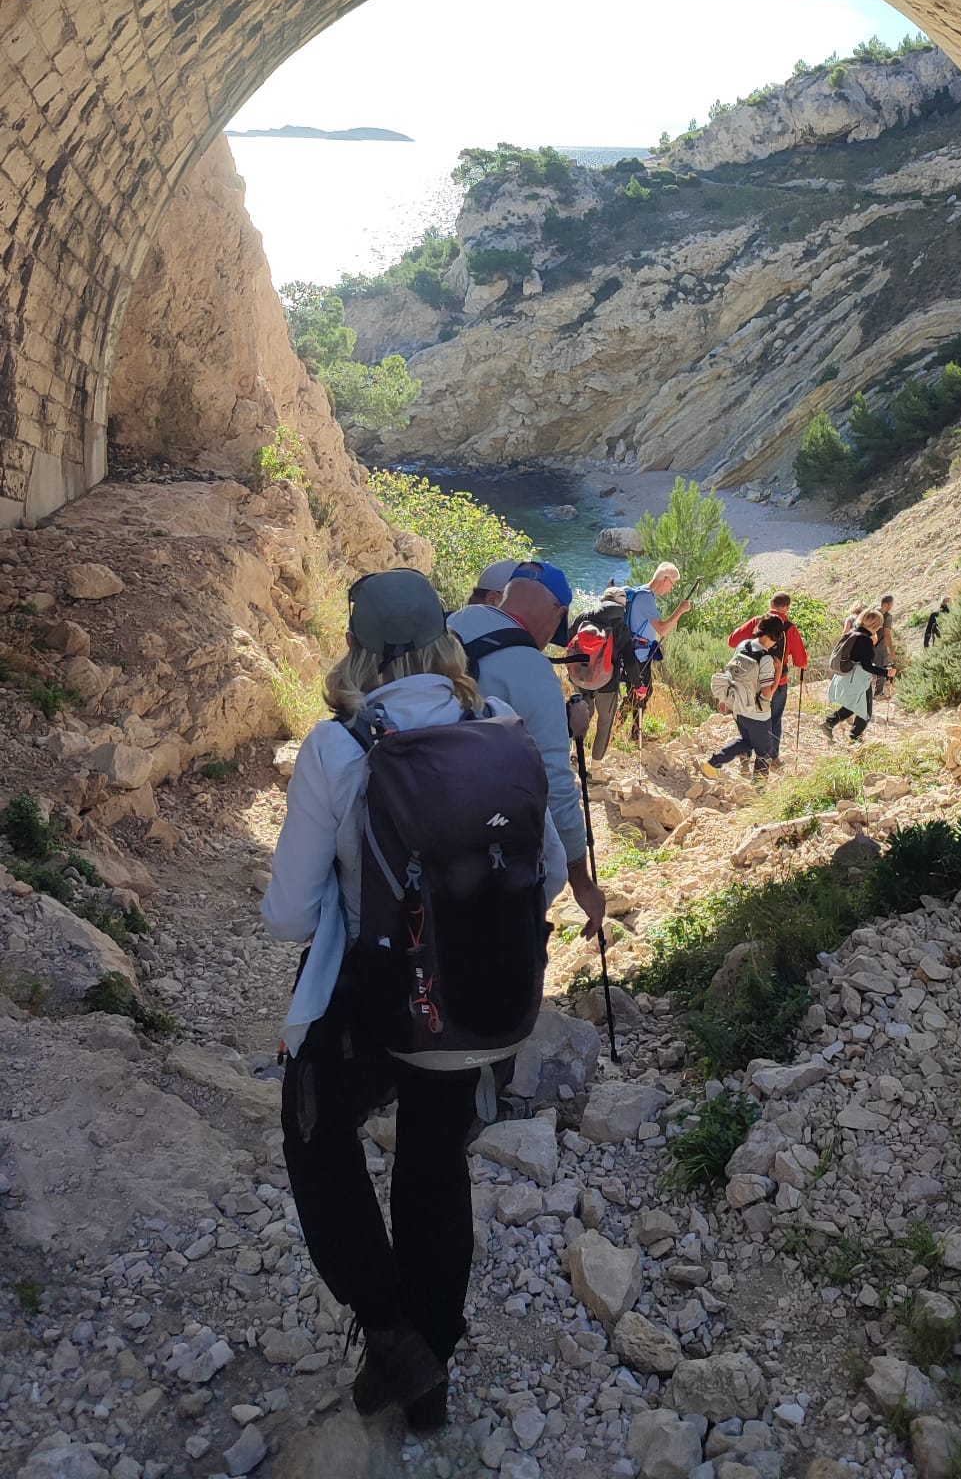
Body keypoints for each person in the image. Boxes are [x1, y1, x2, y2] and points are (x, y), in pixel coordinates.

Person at [262, 569, 555, 1430]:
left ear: (358, 648)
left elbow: (287, 917)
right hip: (481, 995)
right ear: (445, 642)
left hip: (381, 995)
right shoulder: (499, 725)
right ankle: (434, 1373)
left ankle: (391, 1333)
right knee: (433, 1162)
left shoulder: (338, 748)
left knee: (315, 1130)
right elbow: (537, 873)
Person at [448, 561, 606, 944]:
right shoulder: (534, 670)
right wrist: (581, 882)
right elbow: (555, 783)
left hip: (413, 828)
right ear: (558, 614)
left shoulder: (451, 624)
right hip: (485, 855)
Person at [727, 591, 809, 770]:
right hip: (777, 683)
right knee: (774, 720)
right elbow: (801, 661)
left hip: (751, 680)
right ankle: (771, 758)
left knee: (748, 715)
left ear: (771, 604)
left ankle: (745, 755)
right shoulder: (790, 628)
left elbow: (732, 641)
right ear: (787, 607)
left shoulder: (758, 622)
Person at [698, 613, 787, 780]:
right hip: (758, 714)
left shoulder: (743, 645)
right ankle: (760, 789)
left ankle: (713, 763)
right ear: (775, 636)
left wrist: (725, 700)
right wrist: (778, 672)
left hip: (738, 707)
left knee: (748, 742)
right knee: (765, 752)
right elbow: (767, 693)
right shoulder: (766, 658)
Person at [616, 561, 693, 739]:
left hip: (636, 652)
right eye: (672, 584)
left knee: (640, 692)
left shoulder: (641, 591)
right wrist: (680, 610)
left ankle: (630, 732)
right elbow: (663, 629)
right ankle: (619, 732)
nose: (671, 589)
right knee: (639, 693)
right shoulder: (646, 599)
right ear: (665, 579)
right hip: (638, 655)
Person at [822, 607, 883, 741]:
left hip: (848, 675)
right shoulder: (865, 639)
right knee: (865, 710)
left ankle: (829, 723)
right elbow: (866, 665)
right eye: (879, 624)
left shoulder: (853, 633)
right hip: (859, 678)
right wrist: (886, 672)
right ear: (874, 624)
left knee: (853, 703)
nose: (880, 627)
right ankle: (855, 736)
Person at [873, 594, 896, 697]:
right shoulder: (887, 616)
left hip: (868, 644)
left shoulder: (873, 611)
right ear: (888, 604)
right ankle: (878, 693)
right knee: (881, 667)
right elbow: (887, 634)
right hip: (880, 646)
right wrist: (891, 650)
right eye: (891, 604)